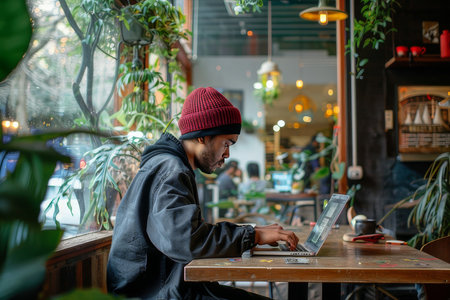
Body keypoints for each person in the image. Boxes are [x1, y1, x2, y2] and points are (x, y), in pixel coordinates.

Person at [107, 87, 299, 300]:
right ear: (202, 137)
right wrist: (253, 235)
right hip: (155, 292)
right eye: (226, 143)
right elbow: (186, 240)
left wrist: (254, 231)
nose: (227, 154)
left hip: (166, 285)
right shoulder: (171, 170)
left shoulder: (170, 165)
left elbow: (186, 233)